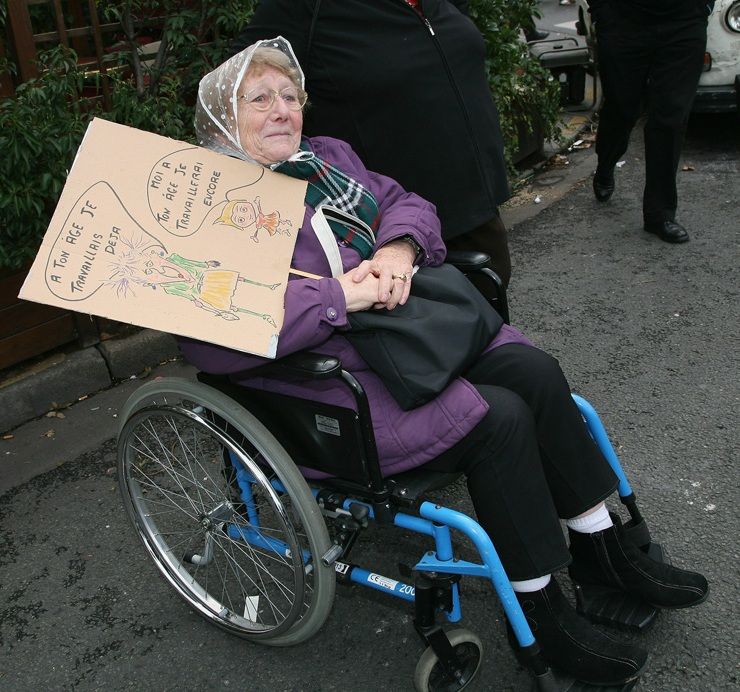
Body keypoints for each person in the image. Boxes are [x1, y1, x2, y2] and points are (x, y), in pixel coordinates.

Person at [182, 38, 708, 687]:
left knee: (534, 373)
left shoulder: (327, 159)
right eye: (259, 99)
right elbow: (210, 333)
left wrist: (399, 250)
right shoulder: (210, 209)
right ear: (220, 122)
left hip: (398, 340)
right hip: (323, 384)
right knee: (501, 418)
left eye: (290, 95)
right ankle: (544, 623)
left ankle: (604, 554)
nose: (283, 109)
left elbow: (408, 202)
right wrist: (340, 293)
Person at [229, 0, 513, 288]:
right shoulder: (307, 7)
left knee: (490, 318)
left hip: (474, 205)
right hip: (386, 231)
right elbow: (235, 88)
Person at [589, 0, 714, 243]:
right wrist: (600, 11)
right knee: (622, 107)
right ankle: (606, 162)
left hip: (684, 21)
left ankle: (660, 214)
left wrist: (704, 7)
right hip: (623, 21)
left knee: (671, 115)